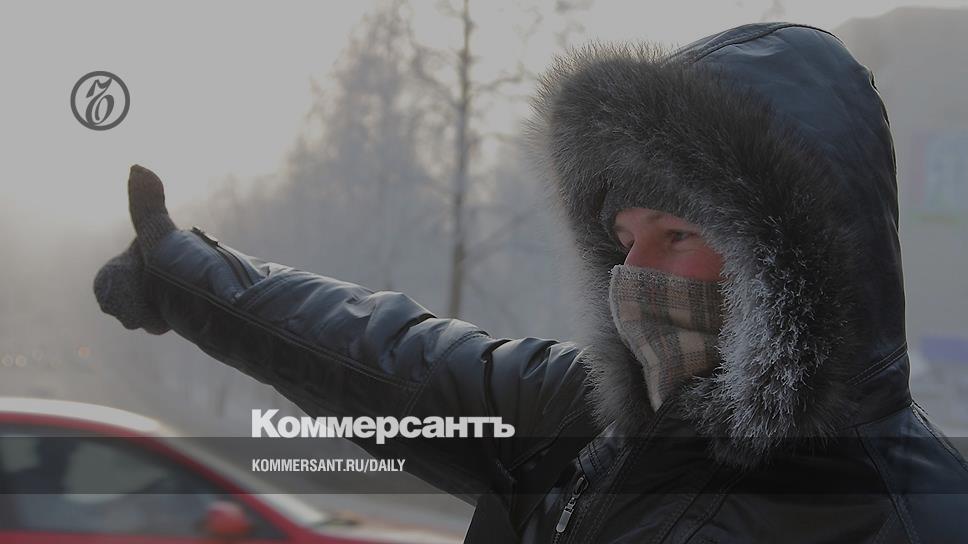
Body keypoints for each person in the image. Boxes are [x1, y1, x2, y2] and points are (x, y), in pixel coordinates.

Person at [93, 22, 968, 543]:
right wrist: (190, 280)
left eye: (677, 233)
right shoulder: (594, 413)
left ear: (796, 260)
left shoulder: (917, 519)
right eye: (624, 239)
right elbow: (394, 360)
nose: (635, 275)